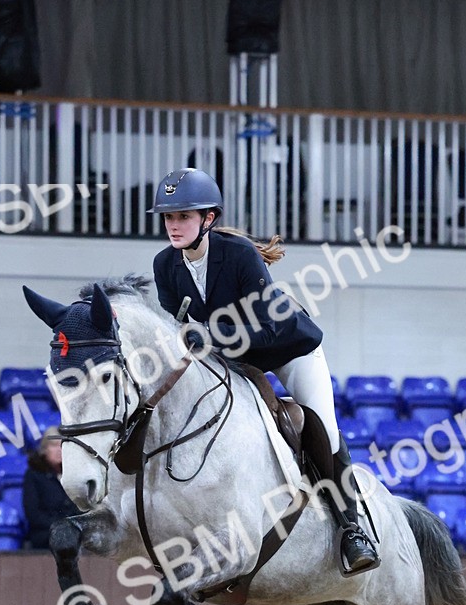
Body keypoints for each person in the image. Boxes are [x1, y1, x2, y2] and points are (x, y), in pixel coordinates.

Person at [151, 167, 379, 575]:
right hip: (235, 357)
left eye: (183, 216)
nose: (174, 225)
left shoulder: (239, 255)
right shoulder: (165, 266)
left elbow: (264, 324)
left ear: (208, 219)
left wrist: (206, 334)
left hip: (287, 347)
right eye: (168, 217)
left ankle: (352, 529)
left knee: (322, 426)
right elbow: (179, 329)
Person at [22, 427, 80, 548]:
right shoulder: (34, 474)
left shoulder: (76, 475)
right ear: (44, 449)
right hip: (46, 535)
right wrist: (61, 526)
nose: (59, 450)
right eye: (54, 445)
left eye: (62, 445)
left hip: (75, 533)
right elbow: (33, 514)